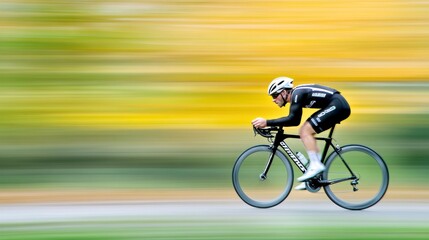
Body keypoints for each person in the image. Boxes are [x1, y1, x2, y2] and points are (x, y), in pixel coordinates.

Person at [252, 76, 351, 190]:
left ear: (284, 92)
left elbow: (294, 120)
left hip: (338, 105)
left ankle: (315, 166)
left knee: (305, 131)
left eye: (275, 95)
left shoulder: (297, 94)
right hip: (335, 105)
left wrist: (267, 122)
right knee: (306, 131)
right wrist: (270, 124)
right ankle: (313, 174)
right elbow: (293, 119)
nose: (273, 99)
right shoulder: (297, 95)